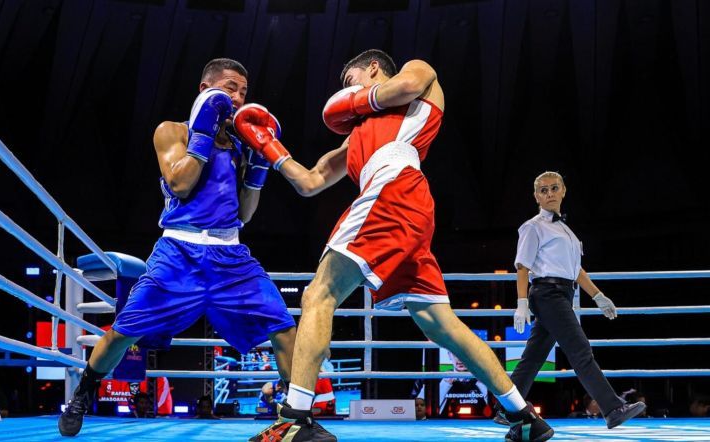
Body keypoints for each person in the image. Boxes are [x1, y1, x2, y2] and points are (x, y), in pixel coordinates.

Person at [236, 49, 553, 442]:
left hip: (392, 190)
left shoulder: (416, 74)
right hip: (404, 205)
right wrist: (268, 147)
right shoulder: (357, 136)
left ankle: (295, 418)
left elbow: (408, 84)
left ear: (372, 68)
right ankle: (524, 416)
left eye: (350, 81)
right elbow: (311, 181)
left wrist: (355, 99)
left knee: (319, 294)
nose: (346, 92)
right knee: (442, 325)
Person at [58, 58, 298, 436]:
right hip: (179, 252)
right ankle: (83, 394)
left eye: (243, 92)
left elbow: (245, 214)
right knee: (124, 330)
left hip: (231, 255)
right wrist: (203, 131)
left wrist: (256, 170)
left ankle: (296, 414)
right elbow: (181, 185)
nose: (238, 98)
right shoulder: (172, 131)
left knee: (282, 325)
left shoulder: (240, 146)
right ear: (206, 90)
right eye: (230, 88)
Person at [502, 171, 646, 430]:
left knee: (533, 357)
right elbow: (522, 266)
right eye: (543, 190)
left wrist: (598, 296)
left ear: (563, 191)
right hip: (548, 294)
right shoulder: (533, 226)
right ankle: (613, 408)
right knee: (580, 351)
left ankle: (506, 410)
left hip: (561, 295)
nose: (549, 193)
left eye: (554, 188)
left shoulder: (566, 230)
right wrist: (521, 304)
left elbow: (575, 270)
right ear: (536, 196)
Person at [439, 350, 489, 416]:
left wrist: (481, 384)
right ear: (449, 355)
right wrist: (446, 385)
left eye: (464, 354)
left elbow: (494, 410)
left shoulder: (486, 378)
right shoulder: (438, 379)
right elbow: (431, 411)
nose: (460, 359)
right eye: (455, 354)